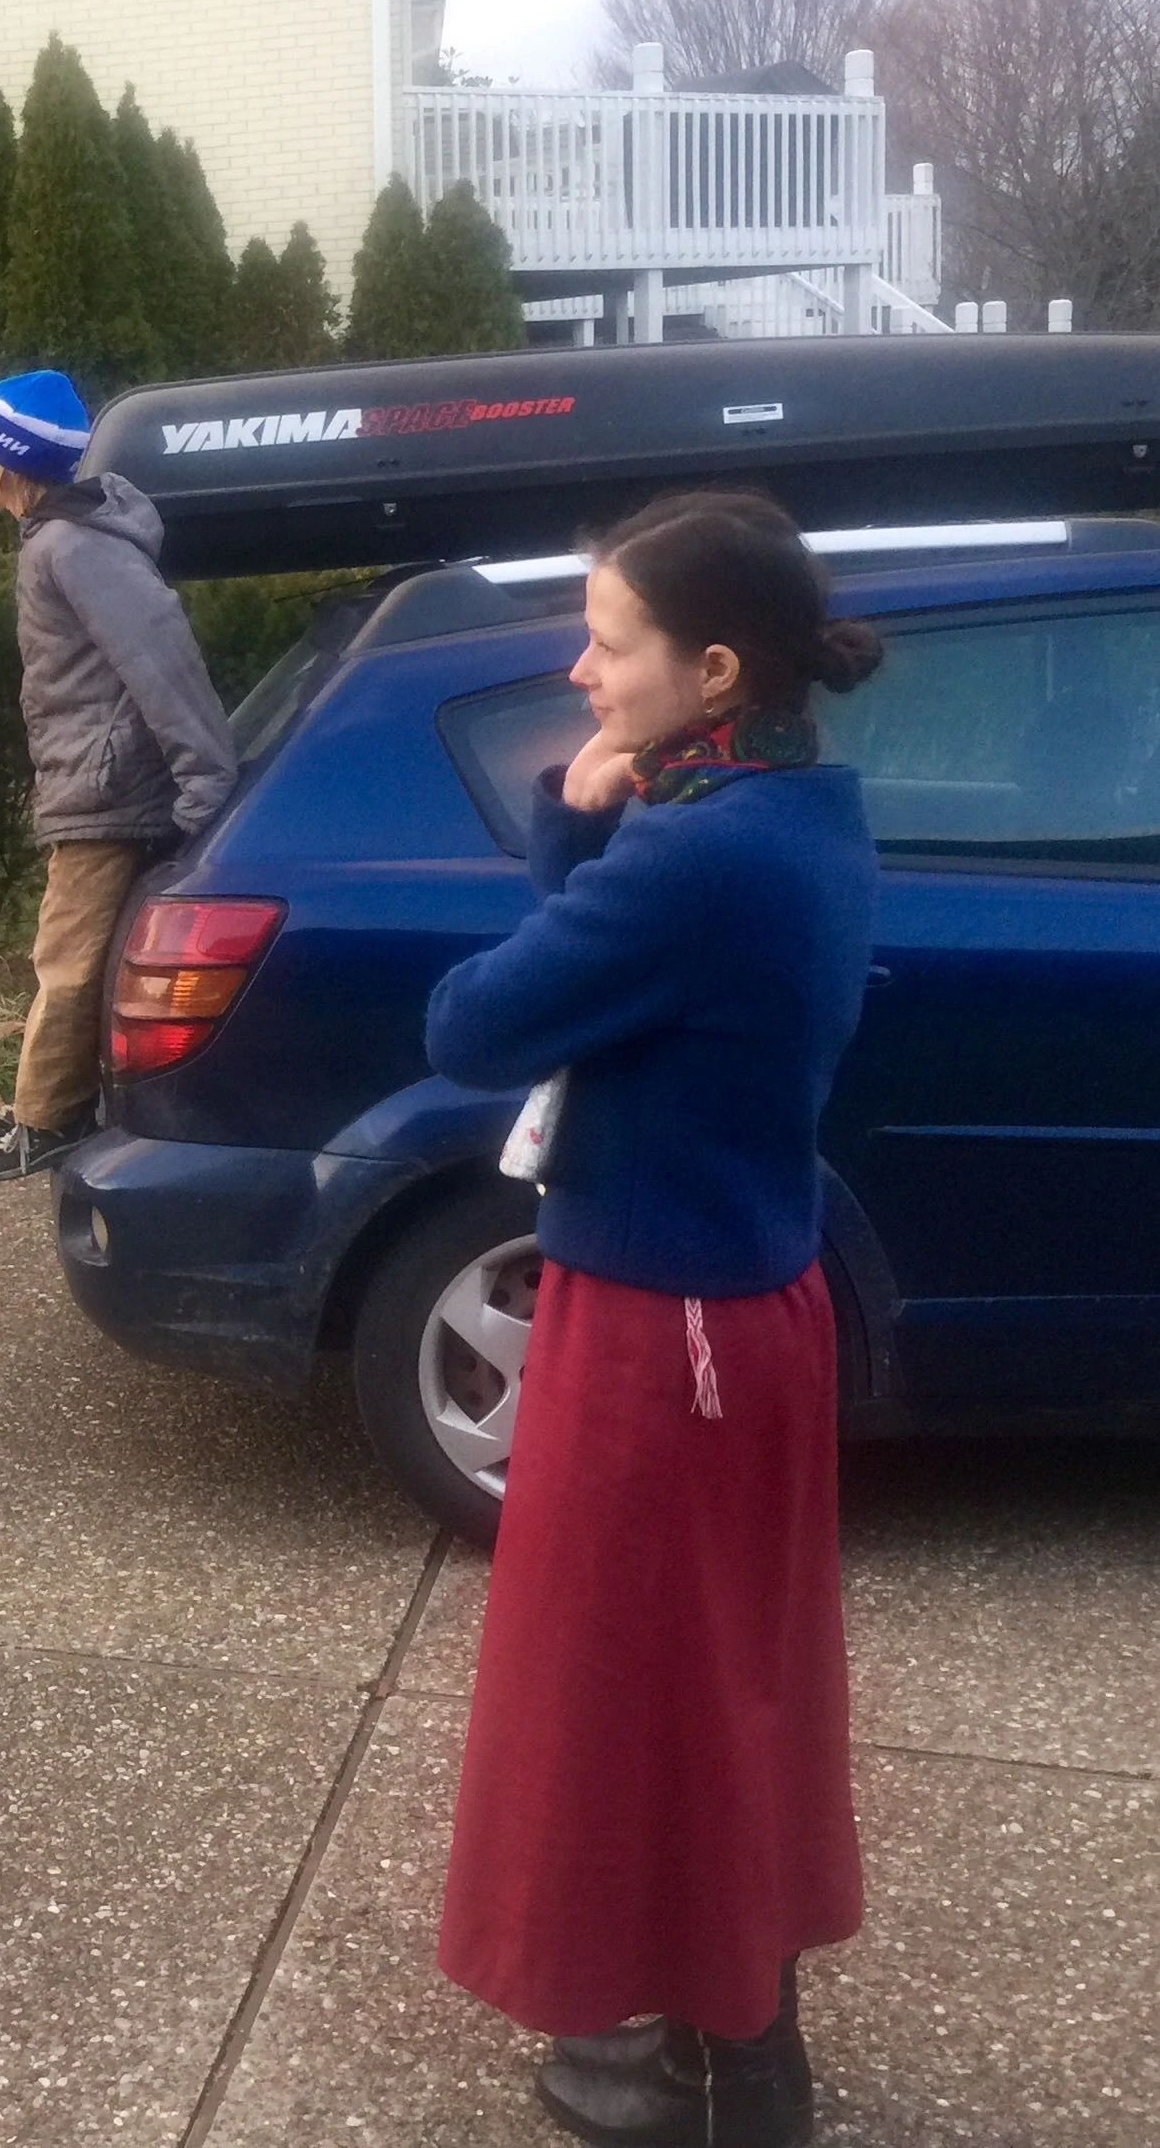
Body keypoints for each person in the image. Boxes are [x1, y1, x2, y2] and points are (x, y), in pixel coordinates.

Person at [424, 488, 884, 2148]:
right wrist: (616, 816)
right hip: (750, 1301)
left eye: (604, 643)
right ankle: (743, 2052)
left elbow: (471, 1020)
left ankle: (709, 2073)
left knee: (638, 1697)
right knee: (725, 1684)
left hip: (661, 1334)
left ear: (708, 666)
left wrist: (565, 817)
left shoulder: (692, 858)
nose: (577, 667)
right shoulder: (800, 809)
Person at [0, 370, 237, 1183]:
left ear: (10, 460)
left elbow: (163, 664)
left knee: (68, 958)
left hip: (105, 795)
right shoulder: (56, 540)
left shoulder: (74, 546)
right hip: (92, 783)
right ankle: (43, 1101)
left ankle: (47, 1122)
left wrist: (205, 786)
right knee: (76, 954)